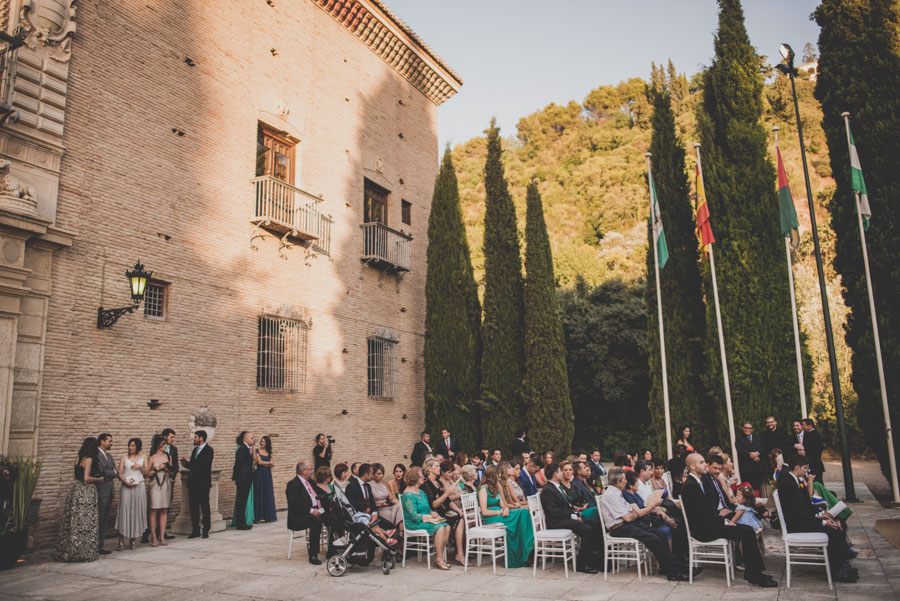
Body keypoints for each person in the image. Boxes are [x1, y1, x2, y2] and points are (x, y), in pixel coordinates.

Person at [681, 453, 777, 587]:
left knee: (747, 530)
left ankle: (754, 573)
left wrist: (722, 519)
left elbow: (707, 509)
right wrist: (724, 521)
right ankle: (755, 575)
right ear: (692, 466)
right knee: (747, 531)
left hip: (710, 524)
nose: (705, 465)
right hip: (704, 530)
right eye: (702, 462)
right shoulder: (691, 486)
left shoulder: (699, 481)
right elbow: (702, 514)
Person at [776, 454, 857, 582]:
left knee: (839, 523)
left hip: (803, 518)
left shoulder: (795, 479)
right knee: (834, 529)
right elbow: (797, 513)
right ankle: (837, 569)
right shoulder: (788, 484)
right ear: (797, 467)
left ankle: (841, 563)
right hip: (797, 524)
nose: (806, 471)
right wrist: (823, 522)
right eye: (804, 468)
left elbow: (805, 505)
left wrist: (821, 514)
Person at [600, 468, 689, 581]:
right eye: (624, 480)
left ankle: (672, 567)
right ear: (618, 482)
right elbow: (628, 517)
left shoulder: (617, 493)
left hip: (628, 524)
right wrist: (636, 514)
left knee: (660, 534)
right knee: (653, 538)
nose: (626, 482)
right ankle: (673, 573)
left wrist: (635, 514)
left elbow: (631, 513)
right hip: (619, 528)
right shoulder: (611, 495)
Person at [539, 463, 603, 573]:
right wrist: (573, 516)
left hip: (565, 517)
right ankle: (581, 564)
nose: (562, 473)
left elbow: (566, 506)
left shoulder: (557, 487)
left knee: (596, 524)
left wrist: (576, 513)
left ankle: (597, 559)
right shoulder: (548, 490)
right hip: (556, 522)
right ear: (555, 474)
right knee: (586, 529)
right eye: (560, 471)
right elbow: (554, 511)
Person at [478, 464, 534, 568]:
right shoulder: (483, 489)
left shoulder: (496, 486)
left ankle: (528, 546)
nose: (499, 476)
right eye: (497, 474)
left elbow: (502, 504)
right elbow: (484, 511)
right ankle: (523, 552)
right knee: (516, 520)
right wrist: (499, 512)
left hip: (500, 513)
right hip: (491, 517)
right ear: (492, 476)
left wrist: (506, 508)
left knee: (523, 512)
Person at [57, 437, 104, 562]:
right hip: (86, 491)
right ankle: (84, 552)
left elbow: (76, 476)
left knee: (74, 521)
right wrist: (99, 479)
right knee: (85, 522)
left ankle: (70, 550)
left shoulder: (78, 458)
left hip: (76, 489)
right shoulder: (89, 460)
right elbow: (86, 478)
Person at [401, 466, 451, 569]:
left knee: (447, 527)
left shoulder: (421, 492)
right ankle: (439, 559)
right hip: (414, 522)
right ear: (415, 478)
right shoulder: (408, 495)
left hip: (426, 519)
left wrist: (433, 513)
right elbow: (413, 516)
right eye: (421, 476)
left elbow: (428, 508)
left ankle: (438, 555)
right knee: (440, 527)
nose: (423, 478)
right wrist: (428, 516)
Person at [422, 458, 465, 563]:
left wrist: (458, 510)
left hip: (443, 511)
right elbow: (433, 504)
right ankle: (440, 556)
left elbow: (446, 502)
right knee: (449, 524)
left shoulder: (437, 482)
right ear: (429, 468)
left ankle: (459, 552)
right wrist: (447, 494)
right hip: (433, 513)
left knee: (461, 518)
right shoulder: (426, 484)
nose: (438, 468)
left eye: (438, 466)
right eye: (436, 466)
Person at [286, 461, 324, 565]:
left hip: (316, 510)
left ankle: (334, 549)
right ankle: (313, 554)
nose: (312, 471)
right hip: (300, 516)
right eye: (310, 469)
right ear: (303, 471)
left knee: (335, 515)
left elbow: (320, 492)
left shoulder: (310, 482)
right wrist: (312, 511)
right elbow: (295, 504)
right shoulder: (293, 485)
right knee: (316, 521)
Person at [115, 437, 148, 550]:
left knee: (135, 511)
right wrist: (125, 481)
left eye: (133, 445)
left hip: (139, 486)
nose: (130, 447)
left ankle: (133, 539)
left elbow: (147, 472)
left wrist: (140, 466)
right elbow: (119, 472)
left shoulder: (143, 457)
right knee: (124, 510)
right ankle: (120, 539)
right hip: (127, 486)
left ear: (138, 446)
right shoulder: (125, 458)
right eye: (129, 445)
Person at [180, 429, 213, 538]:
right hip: (193, 483)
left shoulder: (209, 450)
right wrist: (185, 463)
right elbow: (193, 466)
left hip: (203, 483)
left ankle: (206, 529)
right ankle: (195, 530)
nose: (194, 439)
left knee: (204, 507)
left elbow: (204, 466)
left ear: (201, 438)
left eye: (195, 437)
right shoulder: (195, 450)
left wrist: (191, 462)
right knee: (193, 507)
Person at [147, 434, 173, 546]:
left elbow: (172, 472)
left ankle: (161, 536)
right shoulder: (152, 458)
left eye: (165, 444)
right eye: (163, 444)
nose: (165, 446)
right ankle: (153, 536)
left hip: (165, 483)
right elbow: (147, 474)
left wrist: (166, 468)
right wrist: (157, 468)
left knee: (164, 510)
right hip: (155, 484)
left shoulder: (168, 456)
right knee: (153, 510)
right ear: (158, 445)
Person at [95, 433, 117, 554]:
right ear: (102, 442)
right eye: (110, 441)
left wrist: (111, 472)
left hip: (109, 490)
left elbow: (115, 471)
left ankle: (100, 545)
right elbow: (100, 471)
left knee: (104, 520)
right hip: (101, 491)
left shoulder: (109, 456)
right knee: (99, 518)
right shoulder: (96, 456)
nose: (111, 443)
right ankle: (95, 545)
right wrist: (111, 472)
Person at [232, 431, 255, 530]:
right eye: (251, 438)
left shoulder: (246, 448)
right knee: (241, 501)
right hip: (243, 478)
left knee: (243, 501)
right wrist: (236, 476)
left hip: (245, 478)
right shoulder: (242, 448)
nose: (253, 440)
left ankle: (242, 522)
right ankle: (240, 523)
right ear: (245, 439)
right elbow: (238, 463)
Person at [370, 463, 403, 528]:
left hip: (387, 507)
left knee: (400, 507)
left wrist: (401, 504)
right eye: (379, 474)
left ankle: (401, 531)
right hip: (379, 509)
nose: (381, 476)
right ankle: (399, 532)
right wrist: (379, 505)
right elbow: (369, 503)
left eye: (382, 474)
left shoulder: (383, 484)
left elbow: (392, 498)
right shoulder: (369, 485)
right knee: (392, 514)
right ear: (373, 474)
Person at [253, 435, 276, 523]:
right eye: (261, 441)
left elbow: (273, 463)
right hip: (259, 474)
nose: (262, 443)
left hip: (267, 475)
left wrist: (266, 463)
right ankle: (260, 516)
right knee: (260, 493)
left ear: (267, 443)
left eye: (264, 442)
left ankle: (268, 515)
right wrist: (268, 463)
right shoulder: (257, 450)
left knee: (268, 492)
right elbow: (259, 462)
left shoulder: (269, 452)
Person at [735, 422, 765, 490]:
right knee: (748, 488)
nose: (747, 429)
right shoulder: (739, 438)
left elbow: (762, 448)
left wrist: (757, 454)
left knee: (758, 488)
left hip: (757, 467)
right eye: (745, 428)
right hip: (746, 468)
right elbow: (739, 449)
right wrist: (749, 455)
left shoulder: (757, 438)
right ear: (743, 428)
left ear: (752, 429)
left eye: (749, 428)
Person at [161, 428, 179, 540]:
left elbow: (176, 465)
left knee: (166, 505)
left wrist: (172, 477)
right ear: (165, 437)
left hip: (169, 481)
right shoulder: (155, 449)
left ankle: (162, 531)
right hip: (159, 481)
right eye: (171, 437)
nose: (173, 439)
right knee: (155, 506)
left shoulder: (173, 449)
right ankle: (148, 532)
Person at [801, 418, 825, 483]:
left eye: (804, 425)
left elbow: (815, 452)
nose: (802, 427)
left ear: (810, 425)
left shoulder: (815, 435)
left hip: (814, 464)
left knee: (817, 483)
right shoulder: (808, 434)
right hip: (811, 463)